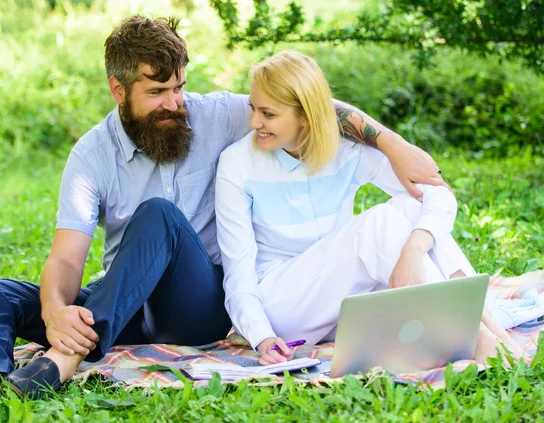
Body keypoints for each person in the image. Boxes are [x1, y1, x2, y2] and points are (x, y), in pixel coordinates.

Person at [0, 17, 446, 399]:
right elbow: (67, 259)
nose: (174, 103)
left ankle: (62, 360)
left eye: (179, 87)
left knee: (158, 214)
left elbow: (309, 107)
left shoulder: (221, 116)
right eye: (157, 92)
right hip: (124, 303)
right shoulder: (91, 155)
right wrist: (56, 310)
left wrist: (391, 144)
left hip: (198, 302)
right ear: (118, 90)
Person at [215, 50, 526, 366]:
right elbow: (238, 271)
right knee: (381, 223)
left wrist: (414, 249)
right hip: (281, 305)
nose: (254, 122)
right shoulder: (237, 163)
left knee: (409, 211)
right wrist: (262, 336)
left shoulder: (345, 150)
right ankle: (479, 339)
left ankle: (488, 327)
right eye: (253, 108)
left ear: (305, 116)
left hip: (342, 297)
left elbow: (438, 194)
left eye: (267, 114)